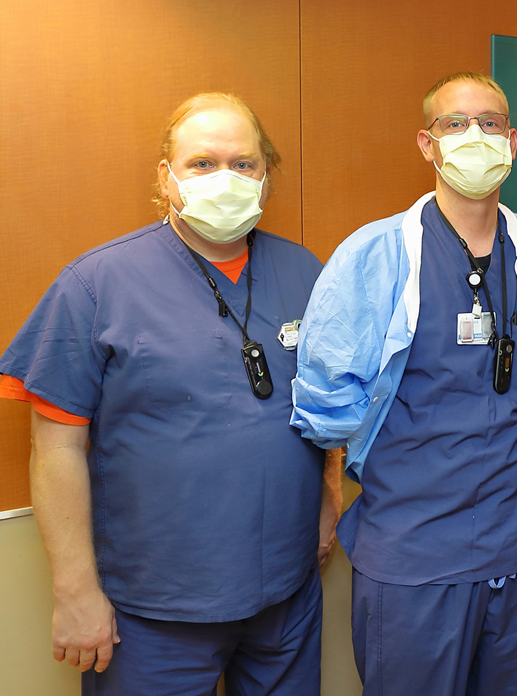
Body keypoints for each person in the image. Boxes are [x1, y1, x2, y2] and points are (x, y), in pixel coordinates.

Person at [0, 93, 342, 694]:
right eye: (203, 164)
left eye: (244, 164)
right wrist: (75, 591)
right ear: (166, 177)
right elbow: (55, 448)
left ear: (267, 176)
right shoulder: (98, 283)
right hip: (152, 610)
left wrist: (327, 503)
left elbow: (322, 407)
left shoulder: (303, 272)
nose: (226, 179)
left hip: (285, 594)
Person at [289, 71, 517, 696]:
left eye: (489, 124)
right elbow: (327, 408)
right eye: (456, 124)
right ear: (427, 144)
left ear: (512, 143)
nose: (474, 137)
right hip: (413, 556)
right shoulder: (372, 259)